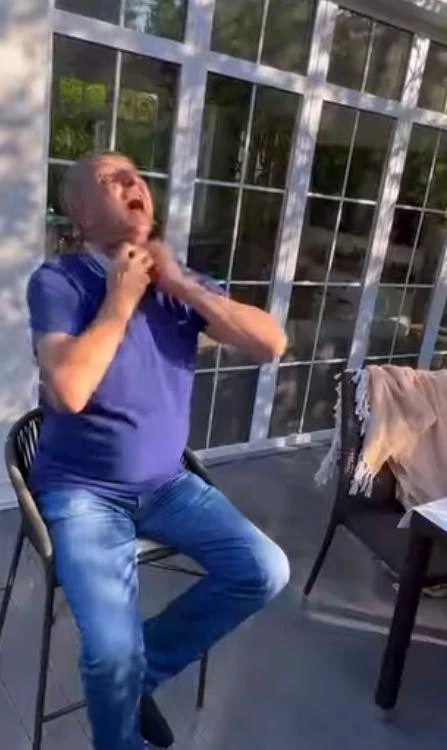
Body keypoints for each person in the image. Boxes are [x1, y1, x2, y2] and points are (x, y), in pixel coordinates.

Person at [26, 151, 290, 750]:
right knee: (108, 654)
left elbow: (271, 344)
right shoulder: (59, 281)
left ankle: (136, 678)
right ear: (78, 213)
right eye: (110, 178)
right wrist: (120, 301)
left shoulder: (178, 283)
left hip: (168, 484)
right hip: (83, 493)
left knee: (264, 570)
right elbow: (67, 390)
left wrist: (182, 286)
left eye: (136, 176)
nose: (132, 182)